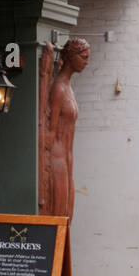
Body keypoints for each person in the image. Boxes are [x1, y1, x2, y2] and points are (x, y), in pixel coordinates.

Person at [40, 37, 90, 221]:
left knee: (67, 214)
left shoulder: (68, 87)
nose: (87, 62)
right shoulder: (59, 88)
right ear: (71, 56)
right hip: (57, 156)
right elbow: (49, 130)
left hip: (68, 157)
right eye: (83, 57)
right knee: (58, 213)